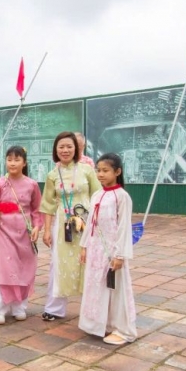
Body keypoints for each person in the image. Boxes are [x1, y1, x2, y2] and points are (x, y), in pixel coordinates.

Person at [39, 131, 102, 321]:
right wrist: (46, 230)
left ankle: (92, 310)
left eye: (69, 146)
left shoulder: (87, 170)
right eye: (61, 147)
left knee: (89, 263)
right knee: (58, 264)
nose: (65, 150)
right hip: (62, 225)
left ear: (76, 149)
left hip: (86, 221)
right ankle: (54, 309)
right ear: (55, 150)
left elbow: (98, 195)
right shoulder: (52, 175)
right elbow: (48, 204)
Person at [79, 153, 137, 344]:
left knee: (116, 287)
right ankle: (99, 323)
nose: (101, 174)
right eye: (98, 170)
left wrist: (120, 254)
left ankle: (123, 329)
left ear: (117, 172)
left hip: (112, 250)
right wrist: (84, 245)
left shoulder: (122, 197)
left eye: (105, 170)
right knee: (96, 285)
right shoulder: (97, 194)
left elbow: (124, 227)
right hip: (96, 250)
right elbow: (90, 224)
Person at [0, 146, 43, 324]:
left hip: (24, 233)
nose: (12, 163)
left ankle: (19, 306)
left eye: (17, 159)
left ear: (24, 163)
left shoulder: (32, 184)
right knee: (5, 269)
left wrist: (37, 227)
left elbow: (36, 209)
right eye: (9, 159)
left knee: (24, 269)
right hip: (3, 231)